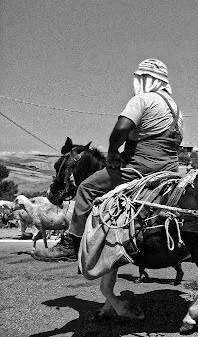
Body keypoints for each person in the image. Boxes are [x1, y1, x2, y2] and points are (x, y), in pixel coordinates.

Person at [33, 58, 183, 261]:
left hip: (140, 169)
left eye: (138, 78)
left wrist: (113, 152)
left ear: (146, 80)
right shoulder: (176, 110)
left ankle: (71, 244)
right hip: (170, 171)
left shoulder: (143, 100)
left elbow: (121, 128)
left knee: (86, 189)